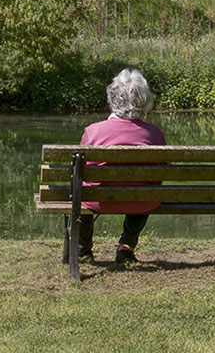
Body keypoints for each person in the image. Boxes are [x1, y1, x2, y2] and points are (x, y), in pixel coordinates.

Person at [71, 67, 165, 264]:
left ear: (112, 99)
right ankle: (126, 245)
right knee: (145, 188)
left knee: (82, 190)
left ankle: (83, 249)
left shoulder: (93, 131)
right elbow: (162, 170)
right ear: (144, 101)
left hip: (97, 201)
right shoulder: (155, 134)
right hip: (143, 201)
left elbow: (78, 171)